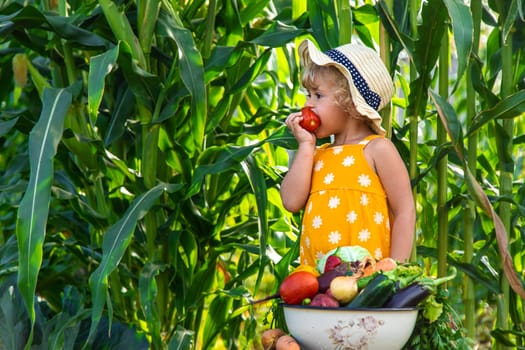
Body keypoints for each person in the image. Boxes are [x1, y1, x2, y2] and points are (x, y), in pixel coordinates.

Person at [280, 39, 415, 267]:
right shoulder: (316, 155)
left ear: (351, 103)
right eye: (308, 94)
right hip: (317, 282)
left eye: (318, 96)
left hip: (365, 280)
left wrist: (394, 271)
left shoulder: (377, 150)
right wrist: (305, 146)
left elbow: (405, 210)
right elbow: (291, 202)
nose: (308, 105)